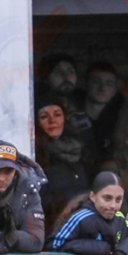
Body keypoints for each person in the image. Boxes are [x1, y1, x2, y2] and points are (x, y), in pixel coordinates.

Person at [45, 172, 128, 255]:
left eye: (118, 200)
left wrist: (123, 252)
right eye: (107, 198)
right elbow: (53, 244)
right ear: (93, 196)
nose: (113, 205)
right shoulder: (81, 218)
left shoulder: (120, 221)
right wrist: (99, 248)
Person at [34, 93, 92, 229]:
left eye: (57, 114)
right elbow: (37, 200)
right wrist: (73, 199)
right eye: (44, 116)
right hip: (53, 229)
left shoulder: (81, 150)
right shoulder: (35, 155)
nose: (52, 120)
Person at [83, 61, 125, 160]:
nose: (102, 88)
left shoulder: (122, 119)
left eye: (109, 84)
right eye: (96, 82)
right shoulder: (71, 114)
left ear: (115, 89)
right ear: (86, 84)